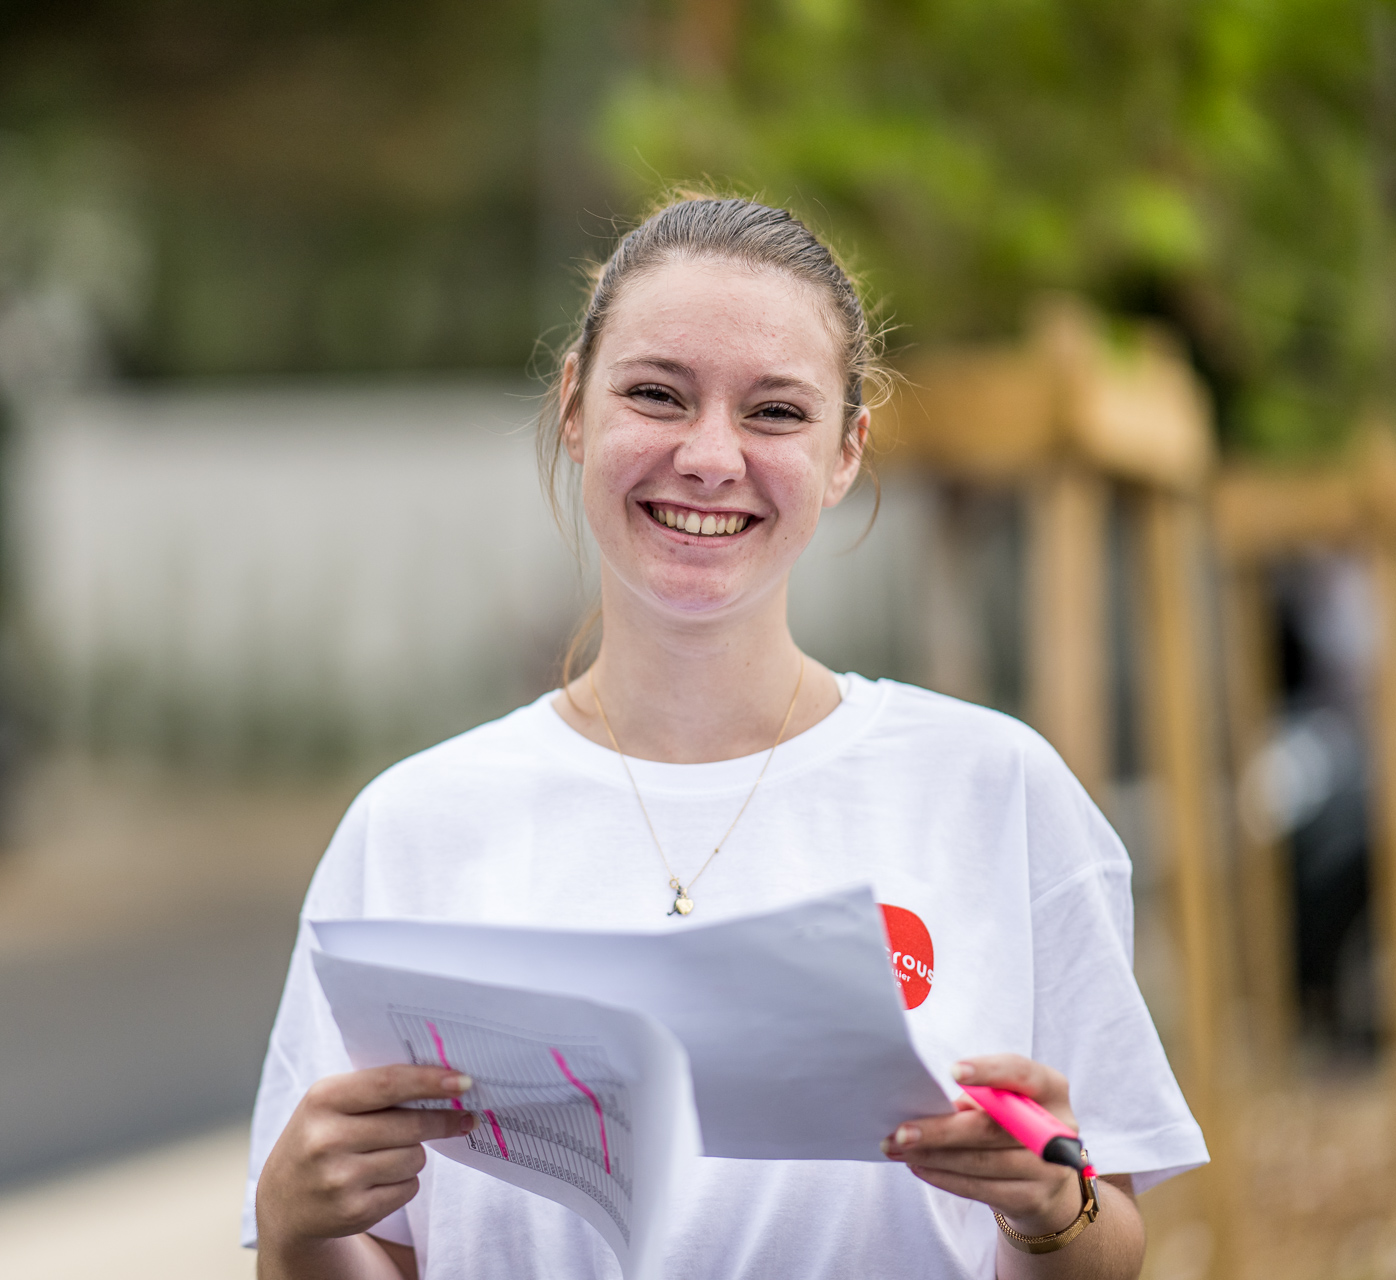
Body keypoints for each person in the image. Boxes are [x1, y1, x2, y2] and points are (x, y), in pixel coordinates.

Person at [244, 195, 1206, 1279]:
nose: (708, 457)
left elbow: (1105, 1239)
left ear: (846, 452)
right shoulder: (411, 826)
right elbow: (361, 1249)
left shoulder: (997, 791)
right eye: (656, 394)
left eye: (775, 412)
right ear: (574, 408)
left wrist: (1050, 1209)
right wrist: (295, 1222)